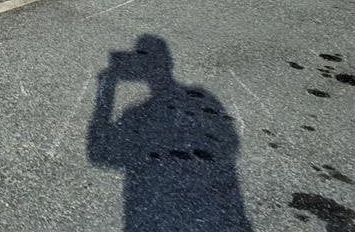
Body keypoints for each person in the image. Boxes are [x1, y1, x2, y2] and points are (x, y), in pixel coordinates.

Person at [87, 35, 253, 231]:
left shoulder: (136, 113)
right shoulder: (205, 98)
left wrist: (107, 87)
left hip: (151, 214)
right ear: (169, 62)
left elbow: (100, 155)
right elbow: (230, 143)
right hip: (218, 210)